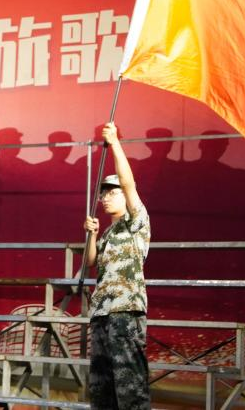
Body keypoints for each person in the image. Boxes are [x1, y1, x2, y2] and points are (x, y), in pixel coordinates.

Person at [83, 121, 151, 409]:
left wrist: (114, 143)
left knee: (130, 385)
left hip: (126, 309)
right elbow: (91, 263)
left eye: (113, 192)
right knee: (102, 387)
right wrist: (92, 235)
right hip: (102, 311)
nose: (106, 197)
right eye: (104, 194)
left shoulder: (137, 222)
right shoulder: (108, 232)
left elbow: (128, 182)